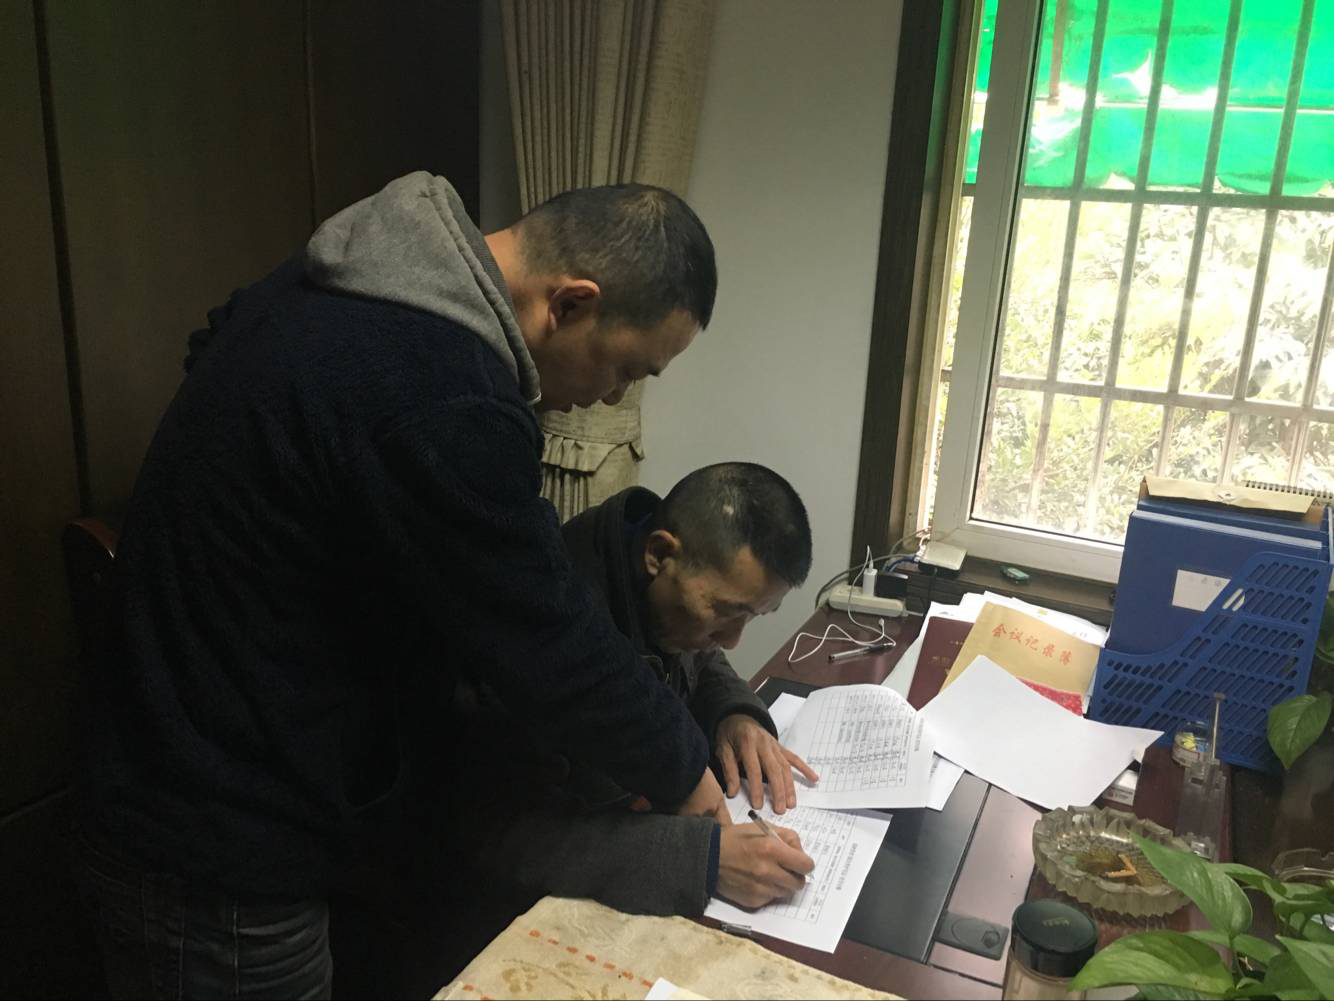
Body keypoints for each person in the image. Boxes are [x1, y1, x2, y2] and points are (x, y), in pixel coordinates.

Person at [74, 172, 804, 999]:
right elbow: (544, 636)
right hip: (218, 832)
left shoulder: (354, 274)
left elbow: (215, 349)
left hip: (202, 766)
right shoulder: (439, 386)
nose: (610, 395)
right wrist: (685, 774)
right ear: (570, 304)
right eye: (624, 368)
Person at [454, 462, 821, 918]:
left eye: (752, 615)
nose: (733, 640)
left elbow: (701, 657)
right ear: (659, 554)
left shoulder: (666, 586)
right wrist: (703, 862)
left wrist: (735, 713)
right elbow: (499, 833)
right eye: (726, 611)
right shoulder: (542, 628)